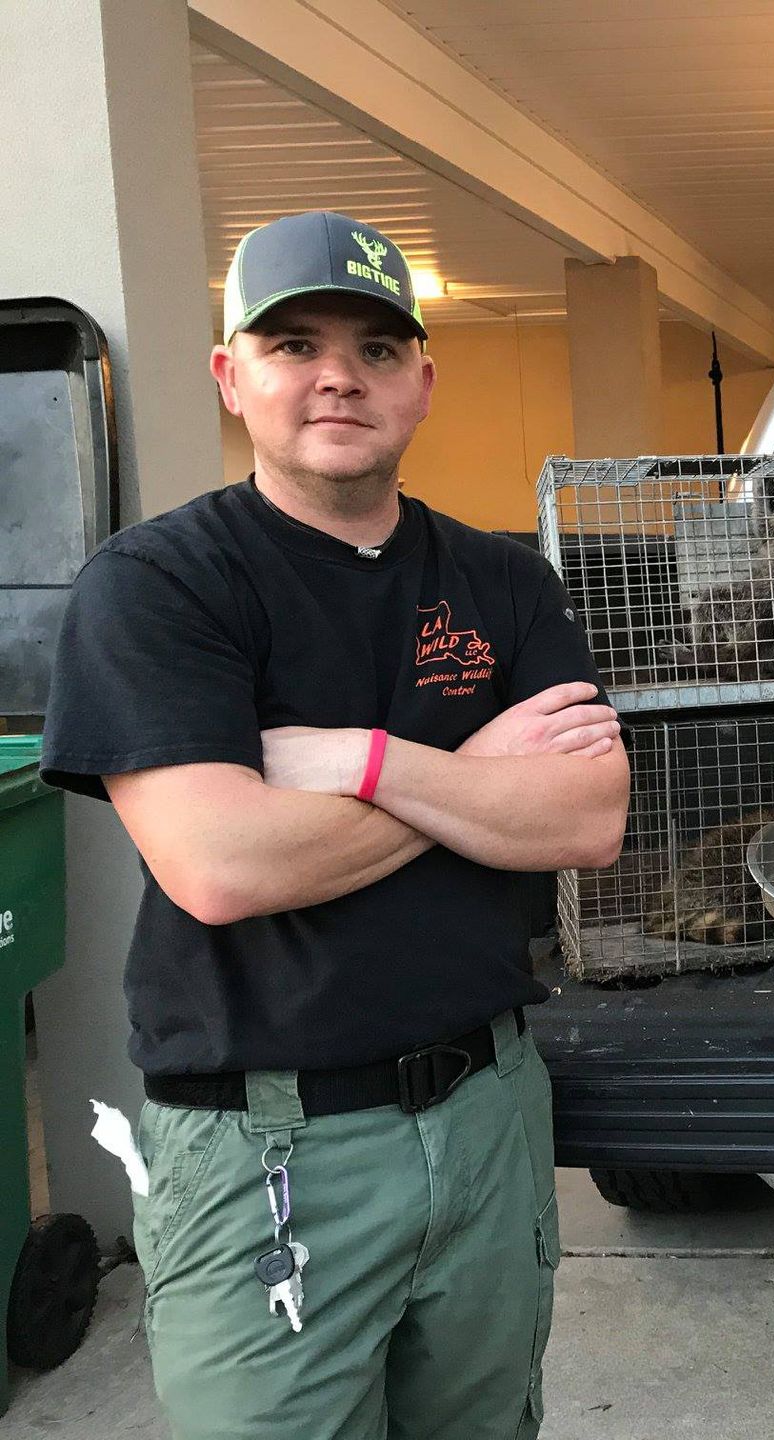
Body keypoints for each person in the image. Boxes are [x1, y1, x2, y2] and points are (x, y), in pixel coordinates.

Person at [38, 209, 629, 1439]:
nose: (336, 375)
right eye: (293, 342)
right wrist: (475, 777)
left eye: (374, 344)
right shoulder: (161, 585)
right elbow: (222, 863)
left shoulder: (505, 580)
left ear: (422, 381)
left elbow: (587, 814)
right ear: (232, 378)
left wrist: (364, 761)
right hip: (266, 1151)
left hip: (487, 1111)